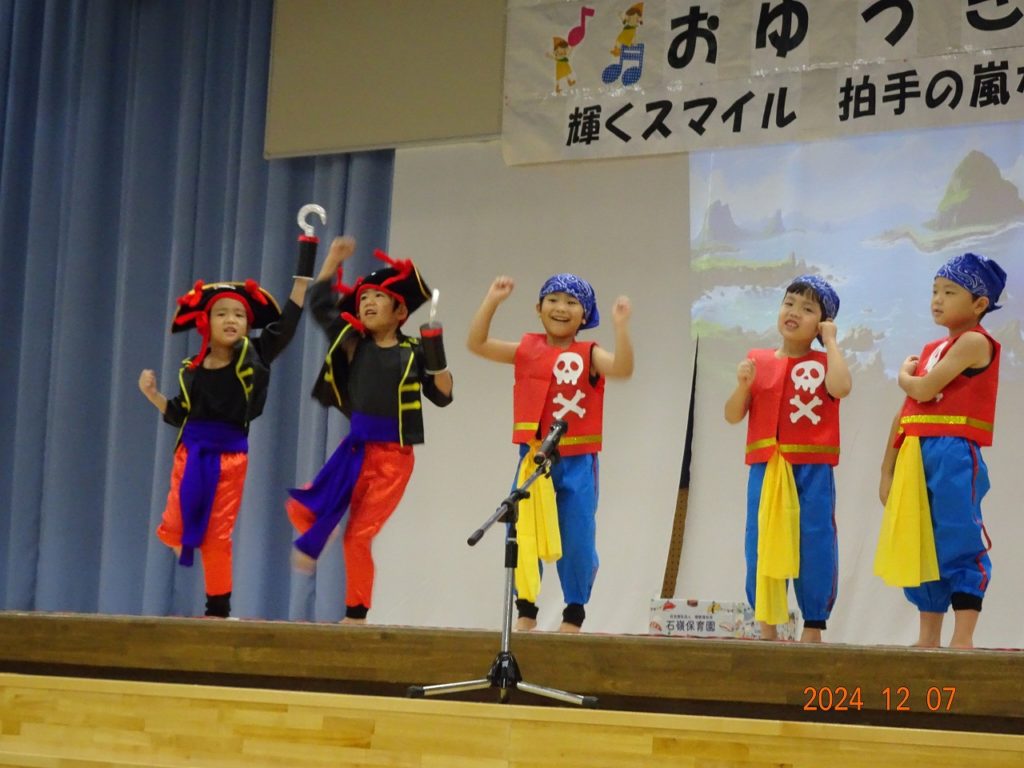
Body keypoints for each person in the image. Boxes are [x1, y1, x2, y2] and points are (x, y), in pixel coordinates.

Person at [286, 236, 453, 625]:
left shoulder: (413, 352)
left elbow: (443, 396)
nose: (367, 302)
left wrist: (437, 354)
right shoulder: (353, 344)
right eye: (363, 297)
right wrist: (332, 258)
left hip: (393, 460)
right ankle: (323, 528)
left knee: (358, 536)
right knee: (302, 506)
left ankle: (356, 615)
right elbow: (320, 304)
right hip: (356, 448)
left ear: (400, 311)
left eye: (379, 296)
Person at [139, 266, 312, 619]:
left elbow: (286, 327)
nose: (231, 319)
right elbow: (179, 412)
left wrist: (301, 280)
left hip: (229, 457)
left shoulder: (254, 356)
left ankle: (217, 609)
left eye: (239, 314)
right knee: (172, 529)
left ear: (248, 325)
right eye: (222, 313)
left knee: (217, 536)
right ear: (206, 322)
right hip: (190, 453)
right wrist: (152, 394)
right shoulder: (191, 368)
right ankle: (189, 544)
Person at [467, 274, 633, 633]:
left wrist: (621, 328)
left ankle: (573, 614)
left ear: (584, 314)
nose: (561, 308)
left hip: (577, 460)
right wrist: (492, 300)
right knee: (523, 531)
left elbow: (622, 369)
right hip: (534, 459)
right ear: (538, 307)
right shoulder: (526, 349)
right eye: (553, 299)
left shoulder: (590, 353)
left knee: (578, 535)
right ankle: (526, 610)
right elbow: (477, 343)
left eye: (572, 302)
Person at [875, 252, 1007, 649]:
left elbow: (922, 389)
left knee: (957, 533)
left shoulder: (974, 342)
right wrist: (887, 468)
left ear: (979, 304)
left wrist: (903, 375)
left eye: (950, 292)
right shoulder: (934, 347)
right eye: (935, 291)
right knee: (921, 540)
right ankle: (928, 636)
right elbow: (905, 413)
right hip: (915, 450)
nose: (937, 299)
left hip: (952, 452)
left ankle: (962, 637)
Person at [723, 275, 851, 643]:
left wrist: (831, 342)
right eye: (789, 303)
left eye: (808, 308)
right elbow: (733, 415)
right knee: (762, 542)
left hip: (812, 466)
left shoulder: (825, 361)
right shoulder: (758, 359)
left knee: (815, 540)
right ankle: (768, 628)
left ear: (822, 323)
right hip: (768, 466)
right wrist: (742, 385)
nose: (794, 312)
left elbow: (841, 387)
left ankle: (814, 626)